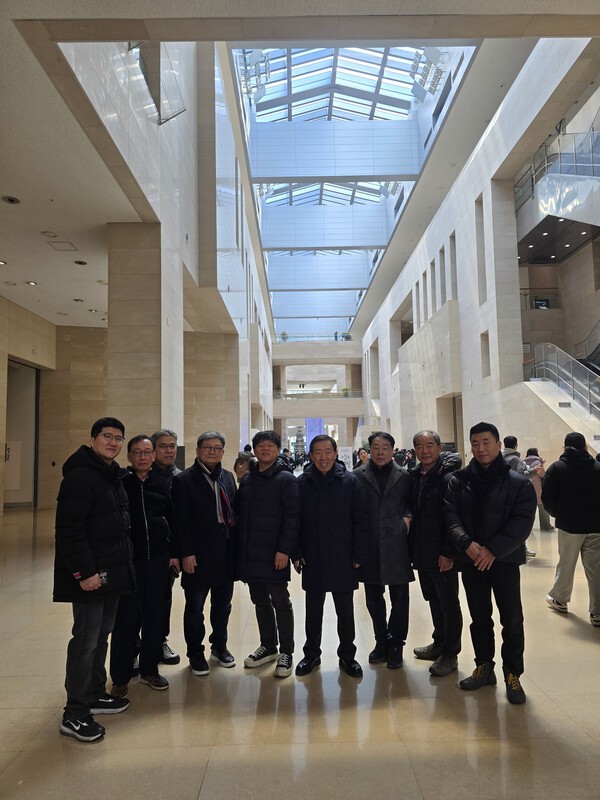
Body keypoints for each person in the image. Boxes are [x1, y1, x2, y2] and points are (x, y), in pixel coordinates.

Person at [444, 422, 536, 704]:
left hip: (504, 560)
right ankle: (484, 666)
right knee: (479, 617)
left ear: (498, 444)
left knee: (512, 619)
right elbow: (450, 516)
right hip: (472, 560)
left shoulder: (518, 483)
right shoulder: (459, 480)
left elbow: (522, 522)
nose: (481, 449)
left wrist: (493, 550)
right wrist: (467, 544)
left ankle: (513, 674)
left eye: (486, 442)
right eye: (475, 443)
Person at [54, 417, 132, 742]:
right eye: (107, 436)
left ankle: (96, 693)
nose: (113, 442)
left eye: (118, 438)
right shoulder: (80, 477)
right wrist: (84, 573)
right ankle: (74, 712)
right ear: (92, 440)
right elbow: (69, 531)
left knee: (101, 635)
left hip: (110, 572)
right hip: (90, 575)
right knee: (85, 640)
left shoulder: (110, 474)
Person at [295, 435, 368, 678]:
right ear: (310, 455)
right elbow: (295, 520)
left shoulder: (349, 481)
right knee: (313, 610)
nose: (323, 457)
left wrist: (358, 552)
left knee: (345, 611)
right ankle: (311, 654)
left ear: (336, 454)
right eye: (318, 452)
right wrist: (297, 551)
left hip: (342, 556)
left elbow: (360, 520)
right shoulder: (302, 482)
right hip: (313, 556)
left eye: (328, 451)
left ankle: (347, 655)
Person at [110, 436, 176, 696]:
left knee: (155, 617)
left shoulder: (162, 483)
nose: (143, 457)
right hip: (129, 562)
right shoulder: (120, 483)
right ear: (129, 456)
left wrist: (174, 554)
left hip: (158, 560)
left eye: (147, 452)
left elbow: (172, 518)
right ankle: (121, 676)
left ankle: (150, 669)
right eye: (137, 452)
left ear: (153, 456)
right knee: (126, 619)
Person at [171, 431, 237, 676]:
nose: (212, 451)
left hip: (225, 553)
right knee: (195, 608)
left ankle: (219, 646)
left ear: (223, 452)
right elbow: (180, 521)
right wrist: (186, 553)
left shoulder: (227, 477)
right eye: (207, 447)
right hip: (197, 556)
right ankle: (195, 653)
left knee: (223, 606)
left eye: (217, 448)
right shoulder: (184, 480)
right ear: (198, 450)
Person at [236, 430, 300, 678]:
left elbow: (293, 517)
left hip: (275, 554)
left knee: (280, 601)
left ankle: (287, 652)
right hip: (251, 553)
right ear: (254, 449)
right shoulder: (248, 479)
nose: (265, 449)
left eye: (270, 445)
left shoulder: (286, 479)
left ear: (277, 450)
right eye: (260, 445)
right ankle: (268, 646)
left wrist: (284, 550)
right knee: (260, 601)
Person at [354, 431, 412, 669]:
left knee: (400, 598)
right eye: (376, 448)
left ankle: (397, 644)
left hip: (396, 545)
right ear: (369, 450)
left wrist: (406, 520)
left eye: (385, 448)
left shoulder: (404, 476)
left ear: (392, 450)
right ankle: (381, 640)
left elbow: (411, 504)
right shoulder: (357, 475)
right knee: (373, 598)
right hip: (369, 546)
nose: (380, 452)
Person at [410, 431, 462, 677]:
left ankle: (450, 654)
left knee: (449, 604)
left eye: (430, 445)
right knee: (433, 599)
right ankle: (439, 642)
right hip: (423, 553)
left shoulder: (448, 478)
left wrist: (448, 552)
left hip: (442, 554)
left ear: (440, 448)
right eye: (420, 446)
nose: (425, 451)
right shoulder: (417, 476)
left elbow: (454, 520)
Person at [542, 432, 600, 626]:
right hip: (596, 525)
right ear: (584, 447)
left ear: (565, 447)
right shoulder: (597, 468)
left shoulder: (557, 468)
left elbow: (547, 497)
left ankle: (560, 599)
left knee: (566, 564)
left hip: (569, 525)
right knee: (596, 569)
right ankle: (598, 612)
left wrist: (558, 513)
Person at [151, 428, 182, 666]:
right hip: (143, 550)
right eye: (163, 446)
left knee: (163, 598)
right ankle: (135, 645)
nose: (169, 450)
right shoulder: (142, 475)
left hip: (169, 551)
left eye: (172, 446)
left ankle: (160, 640)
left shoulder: (181, 478)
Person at [523, 447, 554, 531]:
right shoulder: (537, 463)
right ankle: (545, 526)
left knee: (528, 510)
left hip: (527, 489)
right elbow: (543, 475)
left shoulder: (523, 462)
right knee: (543, 508)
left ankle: (526, 527)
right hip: (538, 489)